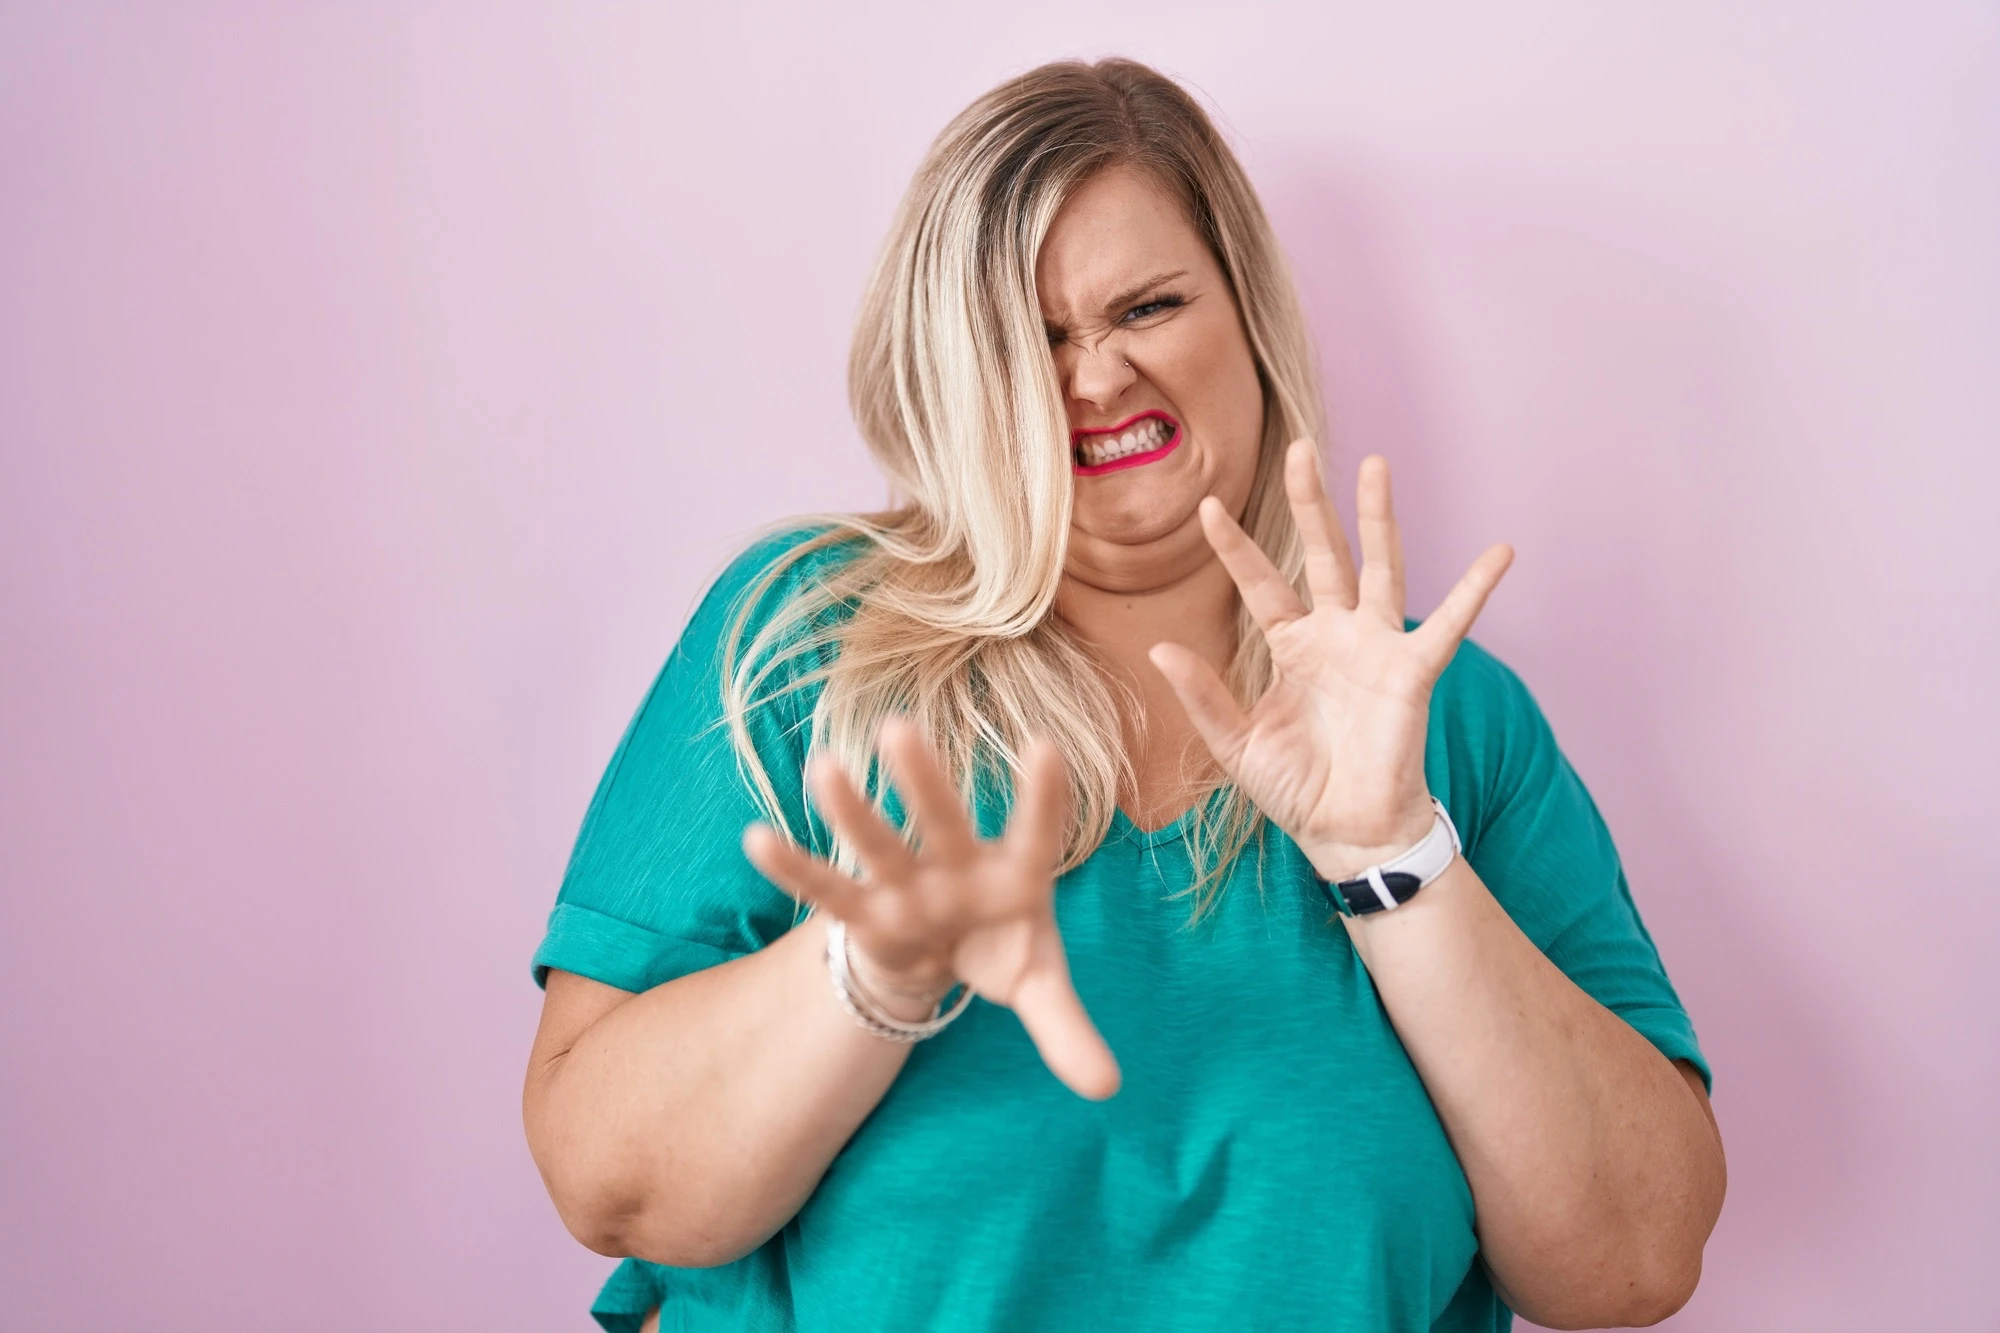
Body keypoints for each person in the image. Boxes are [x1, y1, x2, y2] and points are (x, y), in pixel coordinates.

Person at [521, 57, 1725, 1333]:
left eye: (1145, 307)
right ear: (952, 371)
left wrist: (1394, 857)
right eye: (1028, 335)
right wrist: (869, 966)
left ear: (1246, 314)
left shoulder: (1447, 718)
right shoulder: (804, 646)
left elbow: (1632, 1264)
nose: (1093, 378)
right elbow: (609, 1187)